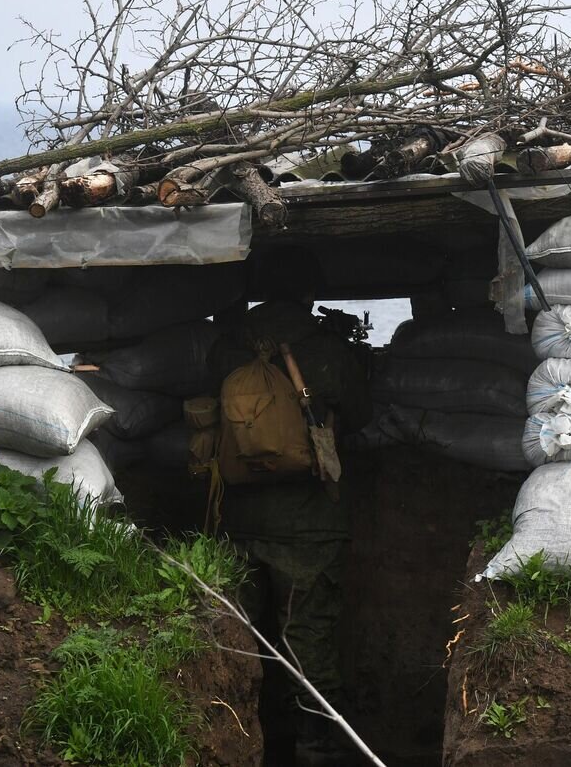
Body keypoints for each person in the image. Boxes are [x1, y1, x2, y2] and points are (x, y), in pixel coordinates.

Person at [207, 248, 371, 766]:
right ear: (309, 292)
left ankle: (240, 737)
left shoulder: (228, 348)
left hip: (238, 520)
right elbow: (361, 413)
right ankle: (315, 745)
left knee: (238, 635)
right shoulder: (327, 349)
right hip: (309, 525)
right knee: (307, 637)